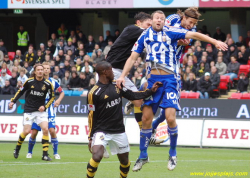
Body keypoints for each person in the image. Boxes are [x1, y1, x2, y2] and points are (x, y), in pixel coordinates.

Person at [116, 10, 227, 172]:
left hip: (171, 76)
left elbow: (193, 37)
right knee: (146, 117)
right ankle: (143, 155)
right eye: (157, 18)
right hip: (154, 79)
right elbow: (132, 57)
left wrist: (215, 42)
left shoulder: (175, 31)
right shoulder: (150, 32)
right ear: (152, 20)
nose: (191, 25)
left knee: (169, 116)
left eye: (193, 24)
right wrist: (122, 76)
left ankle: (172, 154)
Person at [86, 61, 161, 178]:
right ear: (104, 72)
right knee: (97, 156)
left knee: (125, 162)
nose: (113, 73)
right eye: (111, 70)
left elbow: (134, 96)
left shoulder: (117, 85)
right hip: (101, 130)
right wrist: (90, 137)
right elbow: (91, 116)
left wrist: (151, 91)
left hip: (119, 131)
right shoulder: (93, 93)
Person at [106, 12, 152, 134]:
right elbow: (154, 33)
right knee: (135, 100)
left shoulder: (136, 36)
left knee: (138, 101)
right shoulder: (133, 29)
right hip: (113, 71)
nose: (150, 27)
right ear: (139, 23)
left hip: (116, 71)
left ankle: (143, 131)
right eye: (148, 24)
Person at [9, 64, 55, 161]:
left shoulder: (47, 84)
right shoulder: (29, 82)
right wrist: (13, 101)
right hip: (29, 111)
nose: (40, 71)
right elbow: (20, 92)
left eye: (41, 70)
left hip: (40, 112)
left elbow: (52, 97)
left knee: (45, 129)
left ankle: (45, 155)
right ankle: (17, 148)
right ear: (34, 71)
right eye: (38, 70)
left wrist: (45, 106)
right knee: (26, 131)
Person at [26, 62, 64, 159]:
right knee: (34, 132)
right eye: (44, 68)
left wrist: (58, 100)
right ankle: (29, 152)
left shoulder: (53, 82)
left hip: (49, 109)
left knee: (51, 130)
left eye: (47, 68)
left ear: (49, 70)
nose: (46, 70)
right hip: (37, 108)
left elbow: (62, 92)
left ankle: (55, 153)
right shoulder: (35, 81)